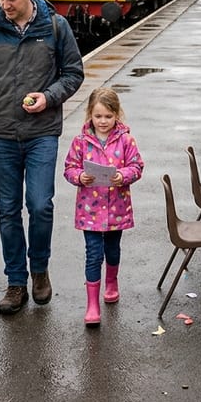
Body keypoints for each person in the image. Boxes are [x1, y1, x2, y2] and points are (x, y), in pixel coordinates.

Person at [0, 0, 84, 315]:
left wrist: (49, 96)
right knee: (7, 211)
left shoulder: (56, 27)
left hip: (41, 132)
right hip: (1, 134)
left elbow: (74, 73)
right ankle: (16, 282)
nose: (5, 5)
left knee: (40, 205)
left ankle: (39, 269)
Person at [62, 87, 144, 326]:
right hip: (90, 210)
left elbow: (137, 166)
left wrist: (122, 176)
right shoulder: (80, 142)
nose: (103, 121)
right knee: (93, 254)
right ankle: (92, 304)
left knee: (113, 250)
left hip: (117, 208)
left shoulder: (126, 140)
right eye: (98, 116)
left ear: (117, 115)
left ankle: (111, 282)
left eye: (108, 116)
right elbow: (69, 168)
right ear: (90, 114)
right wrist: (80, 177)